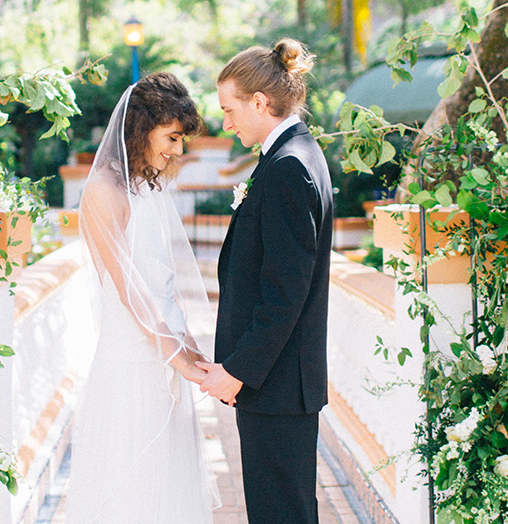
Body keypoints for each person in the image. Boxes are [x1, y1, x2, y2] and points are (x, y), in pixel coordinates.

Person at [68, 72, 220, 524]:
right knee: (128, 491)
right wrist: (175, 355)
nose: (176, 150)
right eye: (171, 137)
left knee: (169, 492)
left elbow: (164, 286)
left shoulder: (149, 190)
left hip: (163, 360)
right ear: (140, 127)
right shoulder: (102, 192)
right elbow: (128, 286)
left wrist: (191, 349)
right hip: (130, 367)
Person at [199, 39, 333, 524]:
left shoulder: (289, 168)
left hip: (276, 386)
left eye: (230, 110)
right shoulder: (294, 156)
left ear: (259, 102)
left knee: (282, 514)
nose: (226, 122)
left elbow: (284, 295)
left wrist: (237, 371)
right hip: (278, 385)